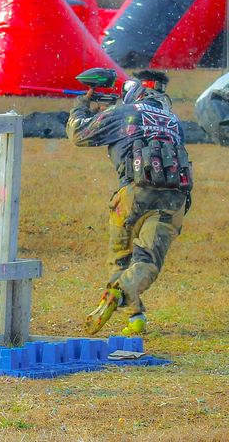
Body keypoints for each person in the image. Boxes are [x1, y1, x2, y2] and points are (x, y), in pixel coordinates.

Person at [66, 70, 193, 336]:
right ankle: (132, 314)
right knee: (147, 262)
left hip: (132, 195)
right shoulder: (173, 120)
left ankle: (123, 299)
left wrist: (82, 105)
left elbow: (79, 134)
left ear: (134, 90)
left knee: (120, 259)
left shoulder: (124, 112)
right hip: (173, 200)